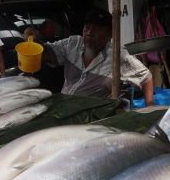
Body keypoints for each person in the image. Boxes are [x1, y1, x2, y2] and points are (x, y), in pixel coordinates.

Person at [24, 7, 154, 106]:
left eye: (97, 29)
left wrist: (149, 106)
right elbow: (48, 52)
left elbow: (146, 77)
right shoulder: (73, 43)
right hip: (63, 106)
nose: (89, 32)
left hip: (90, 115)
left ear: (110, 34)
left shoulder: (118, 56)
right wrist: (34, 41)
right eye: (87, 27)